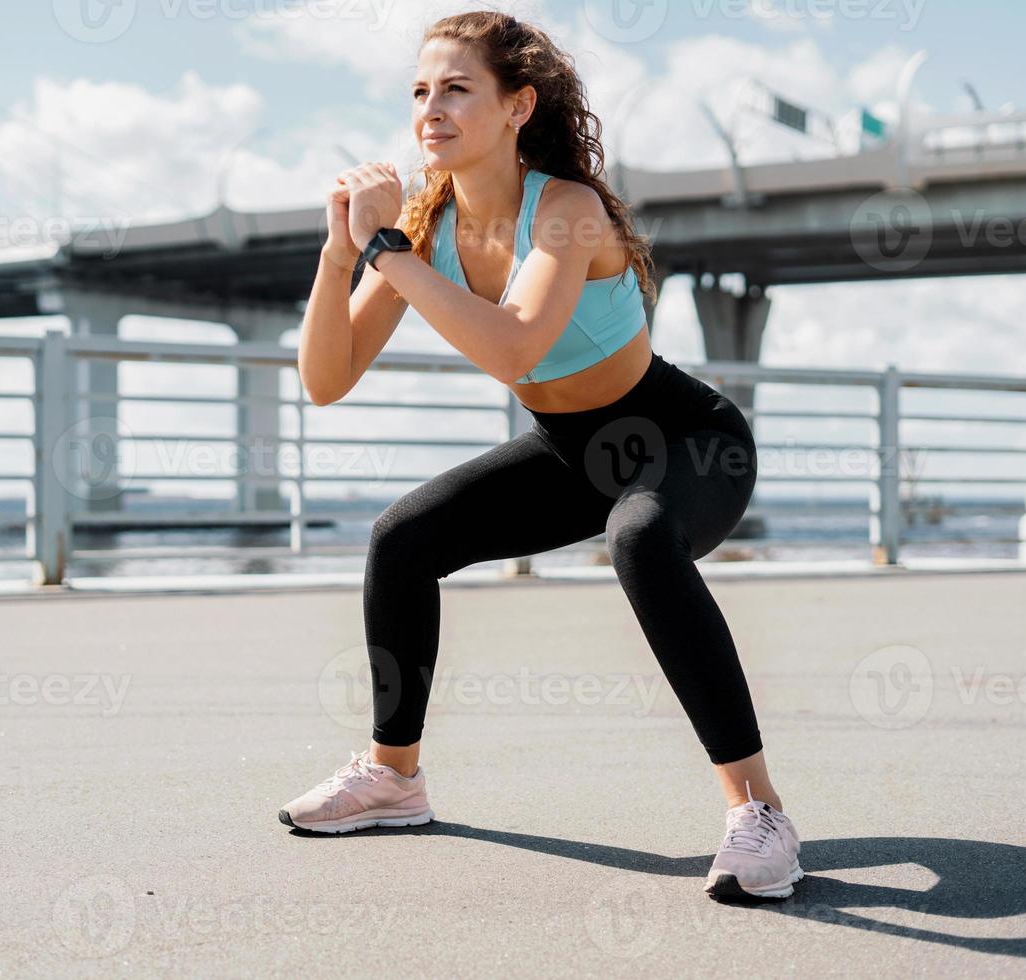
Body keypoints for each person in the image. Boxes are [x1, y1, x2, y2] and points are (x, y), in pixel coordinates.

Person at [282, 10, 802, 902]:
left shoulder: (566, 209)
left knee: (640, 538)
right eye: (419, 92)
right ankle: (393, 776)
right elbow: (327, 380)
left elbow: (516, 349)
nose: (430, 110)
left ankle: (760, 816)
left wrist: (387, 252)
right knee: (402, 537)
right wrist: (342, 259)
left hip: (688, 442)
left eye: (455, 89)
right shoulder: (425, 220)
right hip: (569, 449)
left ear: (519, 105)